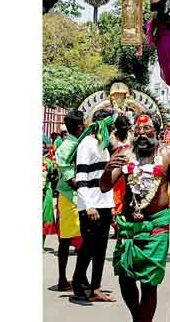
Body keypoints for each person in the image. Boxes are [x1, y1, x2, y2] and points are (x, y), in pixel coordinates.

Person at [100, 114, 170, 322]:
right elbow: (105, 186)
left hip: (157, 224)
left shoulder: (167, 155)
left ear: (156, 132)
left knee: (149, 282)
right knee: (125, 277)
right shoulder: (124, 154)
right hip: (129, 224)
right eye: (138, 131)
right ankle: (137, 318)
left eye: (146, 130)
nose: (141, 135)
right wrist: (108, 166)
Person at [71, 110, 117, 302]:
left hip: (104, 204)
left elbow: (104, 178)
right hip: (91, 206)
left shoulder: (103, 146)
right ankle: (79, 284)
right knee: (88, 248)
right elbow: (81, 177)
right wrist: (89, 206)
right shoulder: (87, 144)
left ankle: (95, 287)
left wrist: (111, 205)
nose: (113, 129)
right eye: (111, 126)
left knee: (100, 249)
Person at [54, 110, 85, 292]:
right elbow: (67, 175)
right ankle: (67, 280)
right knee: (69, 240)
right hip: (69, 197)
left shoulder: (77, 143)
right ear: (80, 127)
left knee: (74, 240)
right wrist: (84, 189)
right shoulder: (67, 146)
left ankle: (72, 278)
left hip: (74, 197)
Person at [42, 145, 58, 246]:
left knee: (44, 218)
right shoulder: (47, 161)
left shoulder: (47, 162)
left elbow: (53, 172)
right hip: (46, 190)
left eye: (44, 148)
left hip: (46, 191)